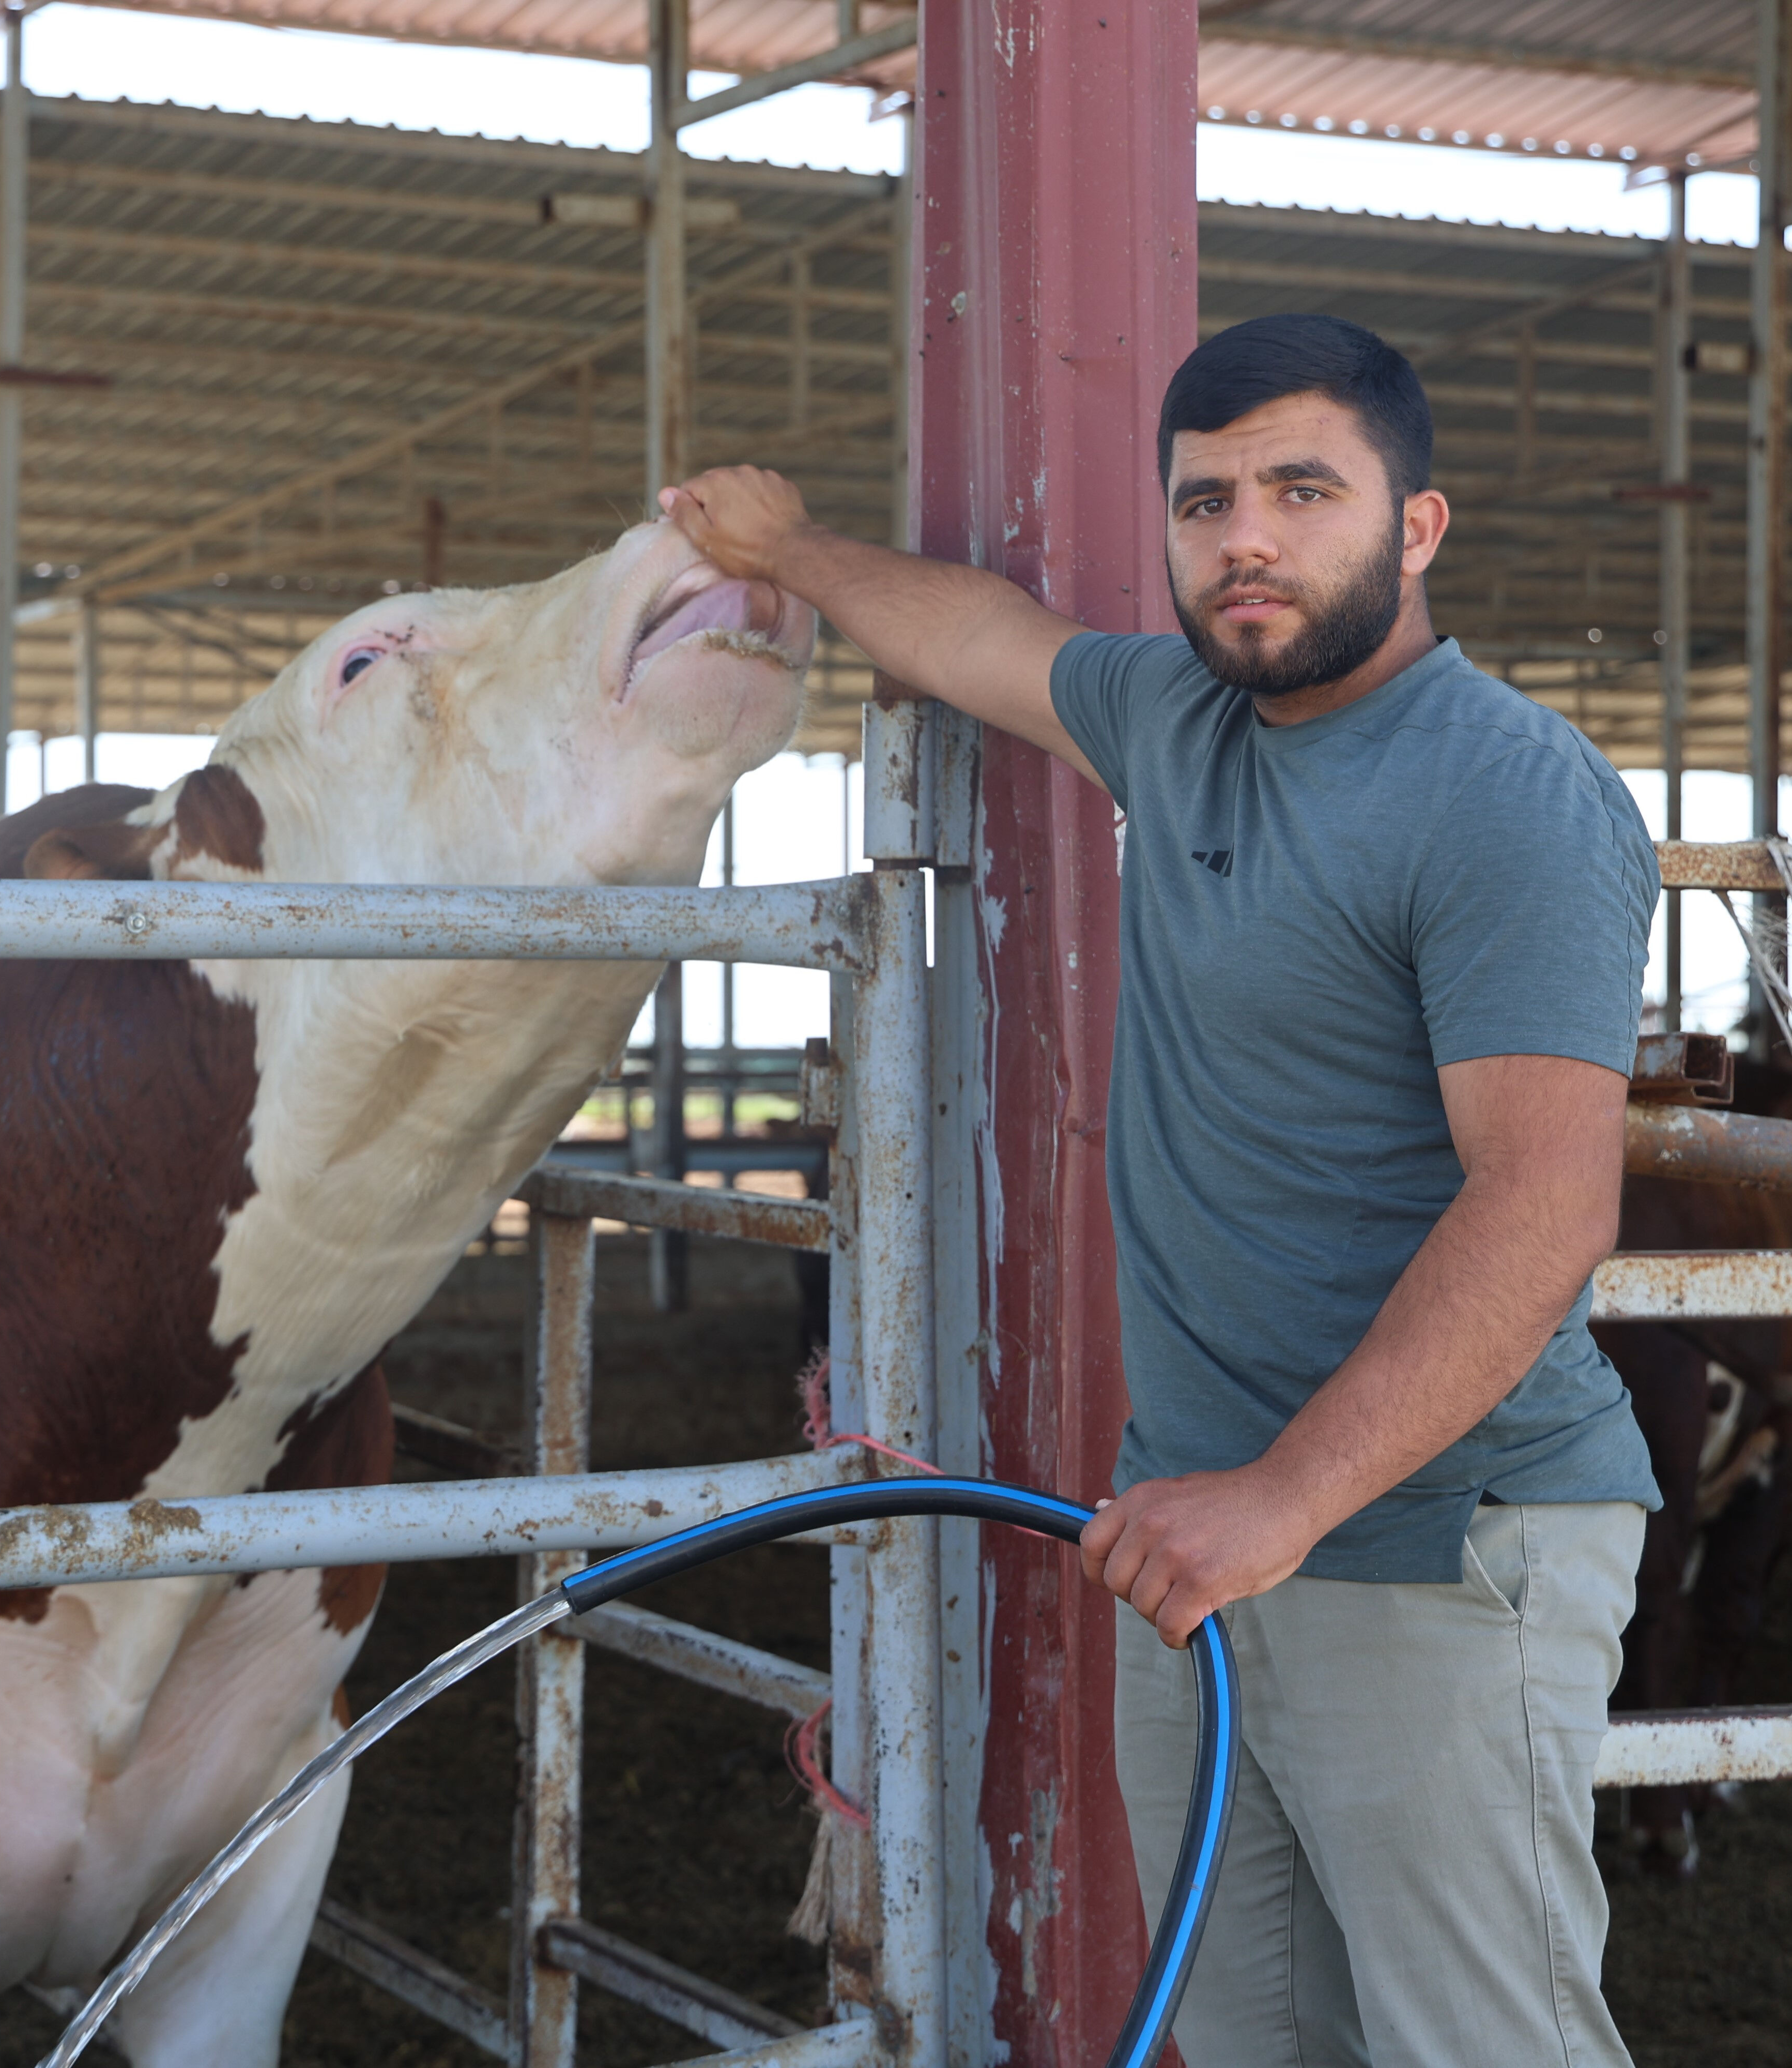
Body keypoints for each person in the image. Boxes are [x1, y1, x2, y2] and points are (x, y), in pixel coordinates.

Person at [662, 311, 1660, 2067]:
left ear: (1417, 528)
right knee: (1252, 2036)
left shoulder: (1506, 793)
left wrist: (1286, 1495)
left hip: (1440, 1543)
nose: (1246, 539)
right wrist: (785, 552)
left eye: (1301, 490)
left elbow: (1543, 1206)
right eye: (1205, 505)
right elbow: (985, 638)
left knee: (1483, 2042)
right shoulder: (1182, 719)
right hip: (1211, 1540)